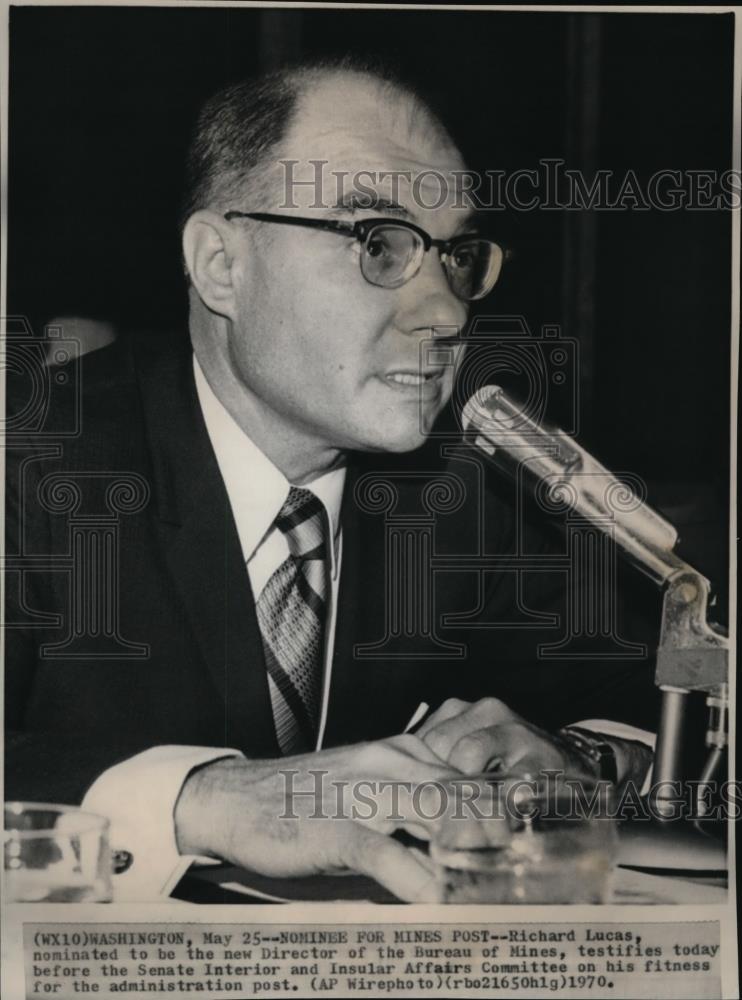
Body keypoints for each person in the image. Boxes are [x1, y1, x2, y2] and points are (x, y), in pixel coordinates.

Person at [5, 60, 657, 901]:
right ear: (220, 265)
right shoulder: (28, 465)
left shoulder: (473, 486)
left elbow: (646, 691)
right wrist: (202, 801)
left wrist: (572, 754)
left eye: (456, 255)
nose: (448, 313)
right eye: (379, 244)